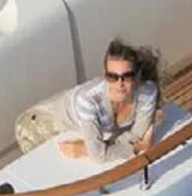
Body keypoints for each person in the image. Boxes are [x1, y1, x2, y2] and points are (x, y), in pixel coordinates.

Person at [15, 39, 162, 162]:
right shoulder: (88, 101)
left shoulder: (147, 92)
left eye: (127, 76)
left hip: (78, 123)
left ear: (136, 77)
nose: (119, 83)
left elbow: (135, 137)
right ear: (105, 76)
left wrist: (94, 148)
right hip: (41, 124)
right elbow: (99, 155)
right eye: (112, 77)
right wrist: (135, 148)